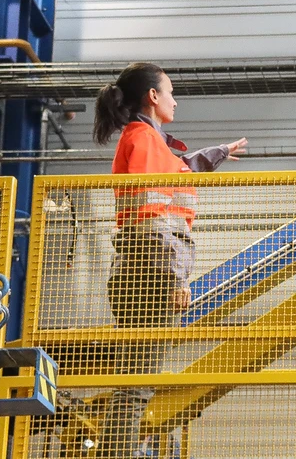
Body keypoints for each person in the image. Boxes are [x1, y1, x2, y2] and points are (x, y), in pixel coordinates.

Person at [92, 62, 248, 457]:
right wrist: (176, 278)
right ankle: (117, 453)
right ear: (153, 96)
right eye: (171, 92)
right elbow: (152, 217)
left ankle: (116, 450)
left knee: (135, 376)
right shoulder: (143, 138)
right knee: (138, 380)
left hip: (140, 267)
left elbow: (180, 168)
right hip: (152, 269)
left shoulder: (146, 139)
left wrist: (219, 153)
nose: (176, 100)